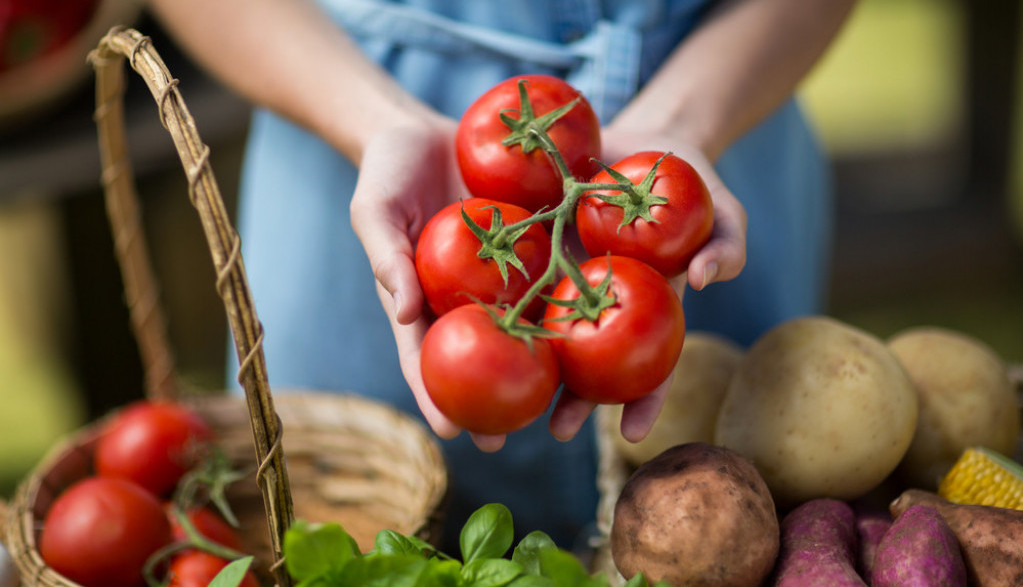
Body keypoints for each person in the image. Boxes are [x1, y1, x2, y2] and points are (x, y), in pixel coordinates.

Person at [148, 0, 858, 551]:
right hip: (344, 122)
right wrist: (376, 124)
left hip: (724, 96)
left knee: (739, 536)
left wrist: (686, 120)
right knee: (349, 535)